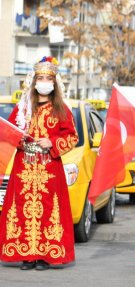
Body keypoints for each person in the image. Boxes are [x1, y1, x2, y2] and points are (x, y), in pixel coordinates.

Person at [0, 56, 78, 270]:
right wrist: (20, 140)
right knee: (23, 210)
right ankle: (27, 255)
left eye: (48, 78)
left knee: (47, 211)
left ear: (54, 83)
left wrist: (51, 142)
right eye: (40, 78)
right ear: (34, 82)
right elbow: (9, 132)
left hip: (49, 169)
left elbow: (72, 137)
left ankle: (44, 256)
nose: (44, 82)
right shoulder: (24, 107)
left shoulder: (60, 109)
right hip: (24, 166)